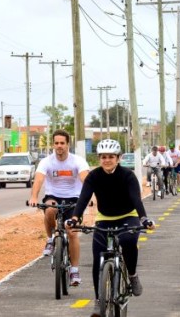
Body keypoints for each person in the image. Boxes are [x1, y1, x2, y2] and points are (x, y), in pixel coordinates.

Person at [66, 139, 155, 317]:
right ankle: (98, 300)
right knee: (98, 255)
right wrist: (75, 217)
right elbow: (83, 198)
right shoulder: (94, 176)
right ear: (99, 158)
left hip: (127, 217)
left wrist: (143, 218)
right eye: (104, 157)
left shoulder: (127, 176)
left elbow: (136, 199)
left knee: (127, 240)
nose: (107, 160)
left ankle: (132, 275)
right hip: (104, 218)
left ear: (119, 158)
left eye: (111, 157)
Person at [28, 128, 90, 286]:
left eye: (62, 143)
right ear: (53, 145)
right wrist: (34, 197)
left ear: (68, 144)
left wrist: (91, 197)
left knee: (72, 233)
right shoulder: (46, 161)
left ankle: (74, 271)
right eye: (56, 143)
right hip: (53, 196)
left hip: (74, 198)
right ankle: (50, 239)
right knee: (49, 209)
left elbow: (86, 180)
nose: (59, 146)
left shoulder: (77, 161)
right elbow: (39, 180)